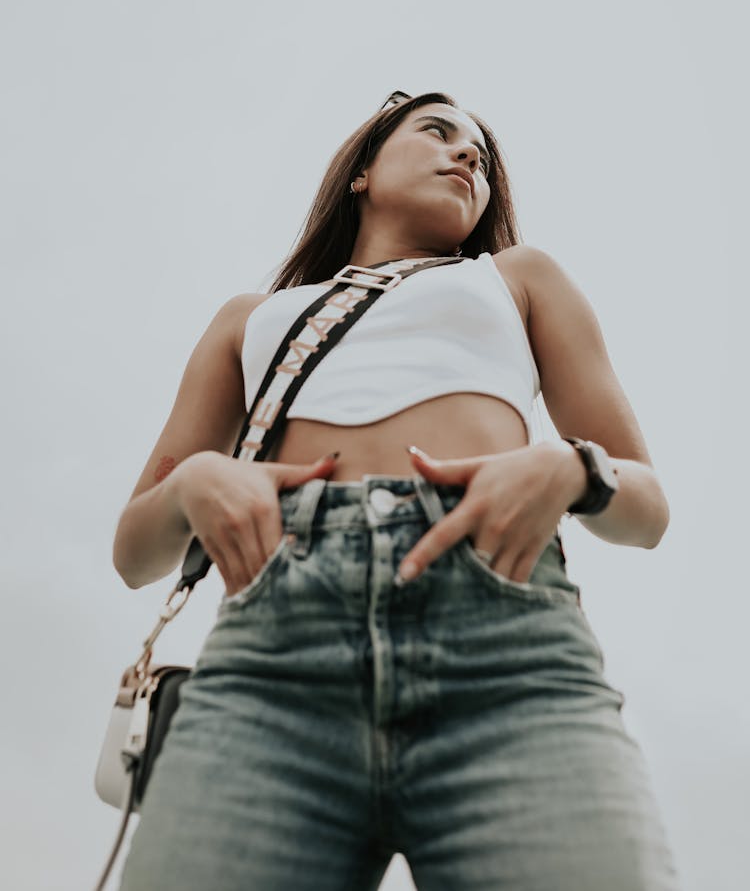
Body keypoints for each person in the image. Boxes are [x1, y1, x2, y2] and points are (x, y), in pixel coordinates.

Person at [113, 91, 681, 889]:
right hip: (276, 663)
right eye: (439, 131)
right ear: (364, 172)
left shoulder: (517, 278)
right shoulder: (254, 319)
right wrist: (194, 483)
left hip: (505, 650)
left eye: (480, 154)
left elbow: (647, 508)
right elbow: (132, 551)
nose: (468, 156)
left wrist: (574, 466)